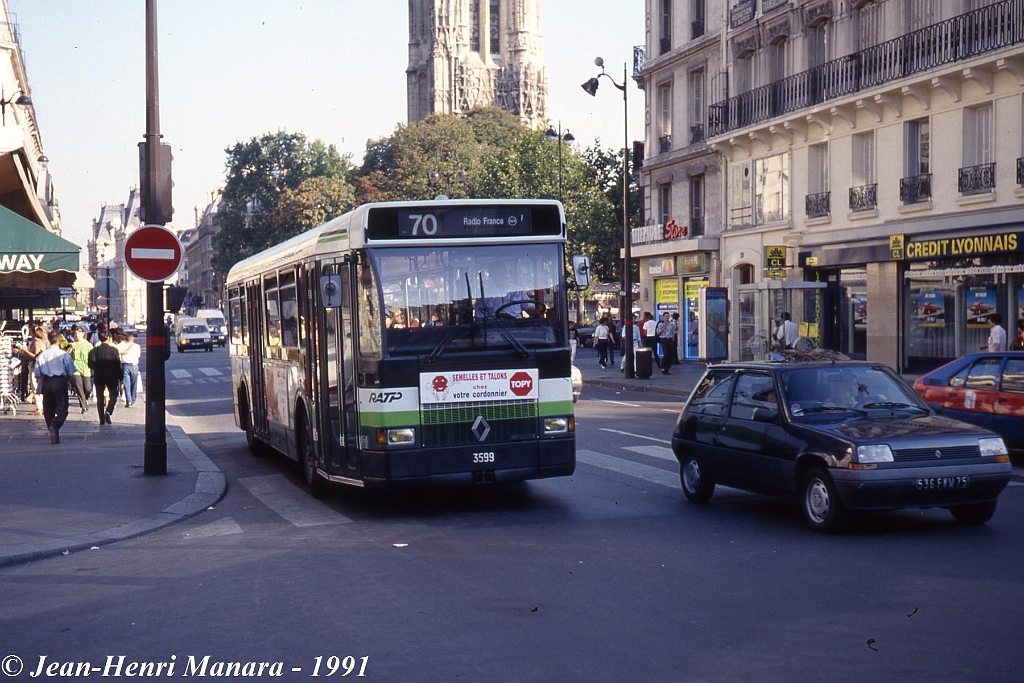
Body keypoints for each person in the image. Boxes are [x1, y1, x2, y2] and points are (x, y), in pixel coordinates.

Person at [33, 330, 75, 444]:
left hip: (47, 382)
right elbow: (70, 372)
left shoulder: (42, 355)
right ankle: (55, 425)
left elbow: (37, 372)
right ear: (59, 341)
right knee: (62, 409)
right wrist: (74, 385)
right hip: (59, 382)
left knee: (48, 410)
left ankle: (53, 431)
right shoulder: (64, 355)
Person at [88, 330, 122, 425]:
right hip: (112, 376)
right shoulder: (114, 350)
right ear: (109, 338)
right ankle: (108, 411)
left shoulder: (94, 351)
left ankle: (101, 419)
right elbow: (117, 364)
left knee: (100, 397)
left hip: (99, 376)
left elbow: (90, 364)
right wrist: (120, 377)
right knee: (114, 394)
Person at [68, 326, 94, 414]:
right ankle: (84, 406)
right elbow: (66, 355)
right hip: (75, 368)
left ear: (83, 334)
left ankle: (85, 399)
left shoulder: (88, 345)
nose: (77, 335)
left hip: (86, 367)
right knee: (79, 387)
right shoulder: (72, 344)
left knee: (88, 388)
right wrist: (71, 348)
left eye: (79, 333)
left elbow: (92, 357)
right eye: (75, 333)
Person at [118, 330, 141, 408]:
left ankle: (129, 401)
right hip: (134, 365)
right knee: (134, 384)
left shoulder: (121, 345)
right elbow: (138, 355)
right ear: (132, 339)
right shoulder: (136, 346)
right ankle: (133, 400)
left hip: (125, 365)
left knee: (126, 384)